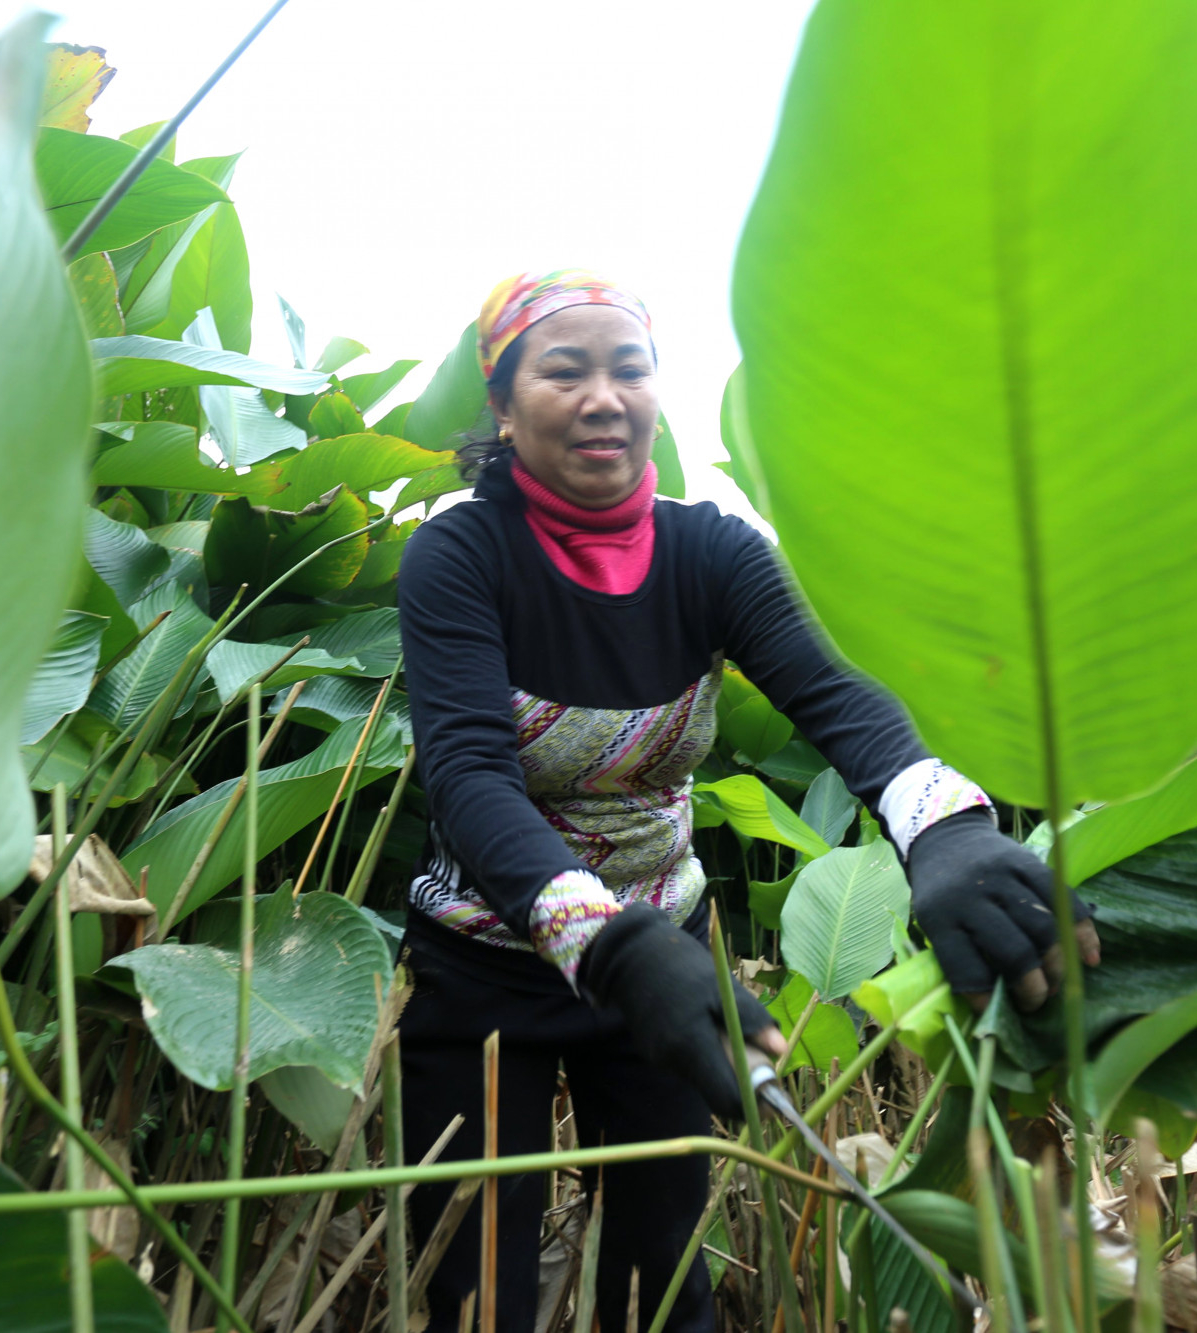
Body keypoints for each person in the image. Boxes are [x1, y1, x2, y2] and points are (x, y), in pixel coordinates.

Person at [395, 269, 1101, 1332]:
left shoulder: (710, 550)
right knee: (471, 1293)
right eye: (564, 370)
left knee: (665, 1286)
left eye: (628, 369)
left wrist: (945, 827)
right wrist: (609, 943)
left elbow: (839, 699)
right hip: (485, 961)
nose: (604, 397)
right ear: (500, 403)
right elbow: (468, 778)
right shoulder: (460, 551)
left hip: (662, 960)